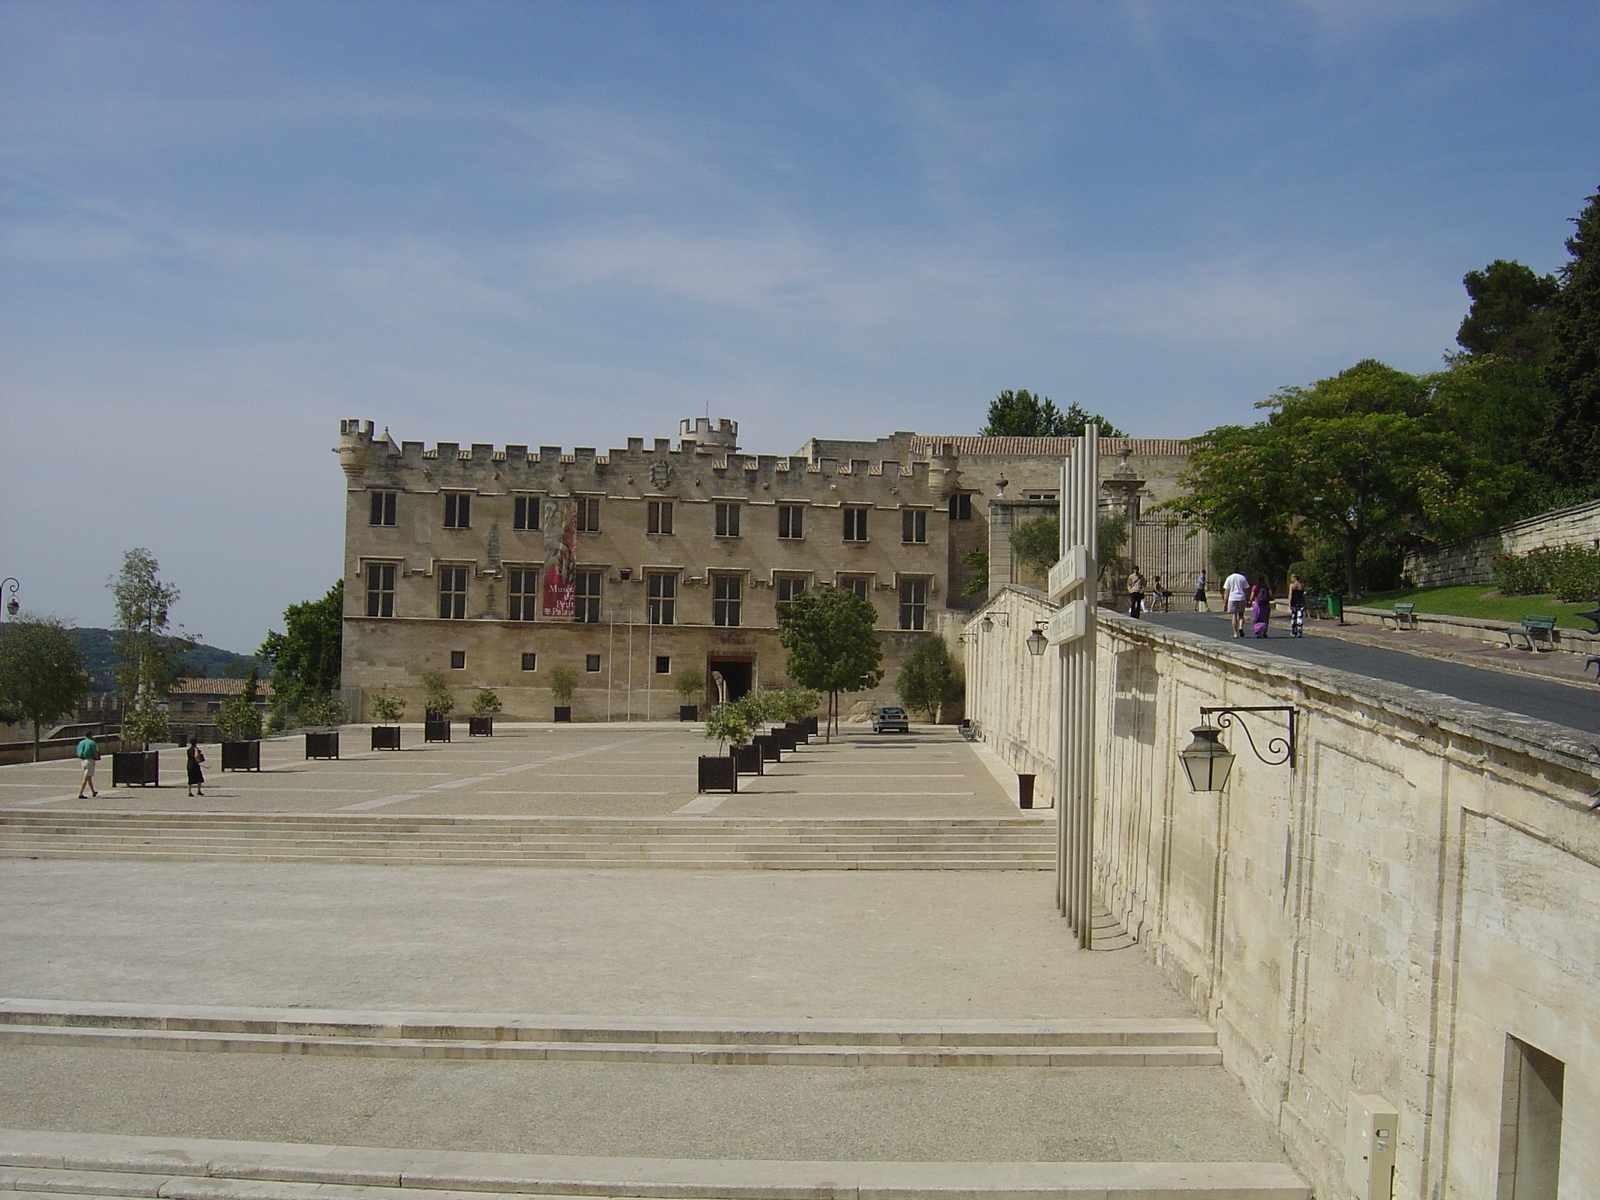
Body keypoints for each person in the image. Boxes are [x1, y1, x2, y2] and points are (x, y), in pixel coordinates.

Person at [1223, 568, 1250, 636]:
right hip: (1241, 597)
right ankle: (1240, 627)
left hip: (1232, 598)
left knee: (1234, 615)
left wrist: (1225, 603)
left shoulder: (1229, 578)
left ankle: (1235, 633)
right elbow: (1246, 589)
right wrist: (1247, 599)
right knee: (1241, 615)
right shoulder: (1242, 578)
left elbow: (1226, 591)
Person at [75, 733, 100, 799]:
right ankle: (80, 793)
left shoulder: (81, 742)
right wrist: (97, 758)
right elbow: (95, 752)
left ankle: (93, 791)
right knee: (86, 777)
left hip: (82, 760)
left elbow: (78, 751)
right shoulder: (92, 743)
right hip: (89, 760)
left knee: (89, 777)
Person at [1288, 573, 1307, 638]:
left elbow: (1290, 594)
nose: (1291, 579)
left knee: (1293, 617)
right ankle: (1300, 631)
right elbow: (1303, 595)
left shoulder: (1292, 585)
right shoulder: (1301, 585)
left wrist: (1289, 603)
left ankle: (1294, 631)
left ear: (1295, 578)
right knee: (1300, 617)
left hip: (1294, 602)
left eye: (1292, 578)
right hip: (1300, 602)